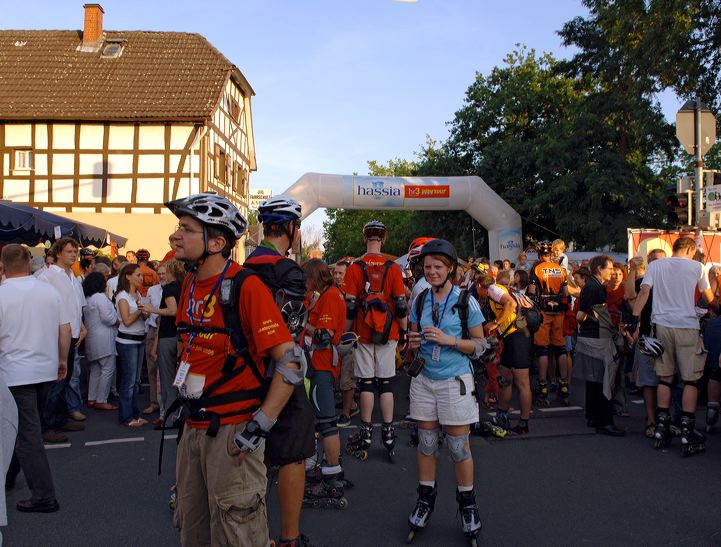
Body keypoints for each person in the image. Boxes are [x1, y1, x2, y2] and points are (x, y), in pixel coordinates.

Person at [166, 193, 306, 547]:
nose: (175, 236)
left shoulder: (247, 286)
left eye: (186, 229)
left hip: (233, 435)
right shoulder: (189, 286)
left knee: (237, 533)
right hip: (193, 428)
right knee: (193, 530)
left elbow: (290, 361)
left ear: (216, 241)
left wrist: (260, 425)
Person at [245, 195, 316, 547]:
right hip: (279, 375)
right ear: (291, 229)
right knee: (293, 454)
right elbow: (288, 335)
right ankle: (289, 537)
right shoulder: (288, 272)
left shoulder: (242, 268)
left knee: (249, 452)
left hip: (243, 372)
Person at [405, 239, 484, 544]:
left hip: (455, 380)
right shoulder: (421, 300)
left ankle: (468, 506)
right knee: (426, 443)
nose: (432, 271)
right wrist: (411, 344)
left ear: (451, 269)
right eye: (427, 267)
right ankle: (425, 500)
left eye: (438, 267)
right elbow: (411, 337)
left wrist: (448, 341)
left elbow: (479, 345)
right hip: (424, 379)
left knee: (458, 447)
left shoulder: (466, 301)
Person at [631, 236, 718, 455]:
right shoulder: (697, 266)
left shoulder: (656, 265)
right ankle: (687, 431)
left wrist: (634, 319)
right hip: (687, 326)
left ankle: (661, 426)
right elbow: (707, 298)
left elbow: (643, 292)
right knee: (690, 379)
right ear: (689, 250)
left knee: (665, 377)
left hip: (661, 325)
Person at [0, 244, 71, 513]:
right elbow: (64, 328)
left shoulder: (2, 294)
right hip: (45, 369)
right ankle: (8, 475)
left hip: (15, 372)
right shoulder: (48, 291)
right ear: (29, 263)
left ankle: (44, 496)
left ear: (3, 265)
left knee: (27, 434)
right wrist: (62, 359)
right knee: (24, 429)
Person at [343, 221, 407, 462]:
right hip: (388, 332)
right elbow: (400, 305)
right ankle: (389, 433)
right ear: (384, 239)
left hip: (363, 331)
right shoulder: (393, 268)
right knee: (387, 383)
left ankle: (366, 431)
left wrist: (346, 333)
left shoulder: (355, 268)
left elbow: (350, 306)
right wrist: (403, 333)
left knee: (367, 383)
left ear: (365, 239)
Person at [301, 259, 348, 509]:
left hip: (321, 365)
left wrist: (302, 325)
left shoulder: (330, 296)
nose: (306, 283)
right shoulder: (331, 294)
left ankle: (333, 477)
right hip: (322, 365)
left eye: (308, 278)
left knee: (327, 423)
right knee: (325, 421)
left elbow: (323, 335)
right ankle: (332, 469)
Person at [37, 237, 87, 439]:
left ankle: (59, 418)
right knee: (56, 383)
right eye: (69, 252)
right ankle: (48, 426)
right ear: (58, 253)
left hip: (73, 334)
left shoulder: (73, 277)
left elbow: (76, 305)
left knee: (65, 381)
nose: (74, 255)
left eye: (75, 252)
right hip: (58, 336)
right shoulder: (47, 276)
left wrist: (82, 327)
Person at [574, 255, 625, 436]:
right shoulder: (596, 287)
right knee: (605, 380)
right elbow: (582, 313)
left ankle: (593, 416)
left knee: (594, 379)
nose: (612, 272)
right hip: (597, 337)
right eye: (609, 268)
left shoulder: (591, 286)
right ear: (599, 269)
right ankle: (604, 421)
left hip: (591, 336)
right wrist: (596, 322)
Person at [485, 270, 533, 435]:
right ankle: (501, 415)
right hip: (511, 338)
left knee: (522, 383)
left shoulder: (493, 289)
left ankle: (524, 423)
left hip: (518, 337)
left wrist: (496, 323)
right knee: (505, 378)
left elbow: (511, 305)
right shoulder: (506, 290)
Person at [626, 249, 666, 437]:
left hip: (668, 334)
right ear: (649, 263)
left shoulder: (672, 282)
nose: (659, 264)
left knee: (668, 379)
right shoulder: (644, 282)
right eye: (655, 261)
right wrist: (632, 270)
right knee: (649, 381)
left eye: (662, 260)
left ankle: (665, 418)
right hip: (648, 334)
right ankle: (651, 419)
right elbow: (630, 298)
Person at [526, 241, 571, 406]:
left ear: (539, 254)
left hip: (543, 311)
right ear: (551, 254)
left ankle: (543, 386)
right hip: (559, 311)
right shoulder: (560, 269)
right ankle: (564, 386)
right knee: (560, 349)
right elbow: (566, 293)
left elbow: (531, 292)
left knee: (542, 349)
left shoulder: (537, 268)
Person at [147, 259, 184, 426]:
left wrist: (151, 309)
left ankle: (169, 418)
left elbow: (172, 311)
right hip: (178, 336)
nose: (161, 275)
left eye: (163, 272)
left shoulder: (169, 288)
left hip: (168, 336)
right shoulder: (183, 286)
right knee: (177, 379)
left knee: (167, 378)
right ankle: (175, 414)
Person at [114, 264, 148, 428]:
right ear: (128, 276)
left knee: (135, 381)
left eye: (141, 275)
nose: (141, 278)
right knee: (128, 381)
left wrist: (145, 312)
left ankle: (134, 413)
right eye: (138, 275)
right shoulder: (122, 296)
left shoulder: (138, 294)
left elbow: (142, 315)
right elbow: (126, 321)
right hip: (127, 342)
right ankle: (126, 416)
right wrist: (140, 311)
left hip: (139, 339)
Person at [82, 272, 118, 412]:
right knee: (108, 369)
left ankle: (92, 397)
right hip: (104, 337)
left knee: (96, 369)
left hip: (92, 337)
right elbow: (107, 317)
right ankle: (101, 399)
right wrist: (118, 321)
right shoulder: (101, 298)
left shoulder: (88, 298)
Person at [333, 258, 359, 428]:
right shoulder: (333, 290)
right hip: (338, 340)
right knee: (340, 378)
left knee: (346, 378)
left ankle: (346, 414)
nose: (336, 276)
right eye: (335, 273)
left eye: (340, 273)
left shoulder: (351, 293)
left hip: (349, 340)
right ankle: (352, 405)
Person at [142, 261, 163, 417]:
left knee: (167, 369)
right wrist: (144, 312)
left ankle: (167, 403)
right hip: (153, 330)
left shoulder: (174, 288)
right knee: (152, 368)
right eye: (160, 273)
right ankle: (154, 402)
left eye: (164, 273)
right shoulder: (152, 290)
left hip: (166, 332)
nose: (162, 276)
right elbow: (147, 311)